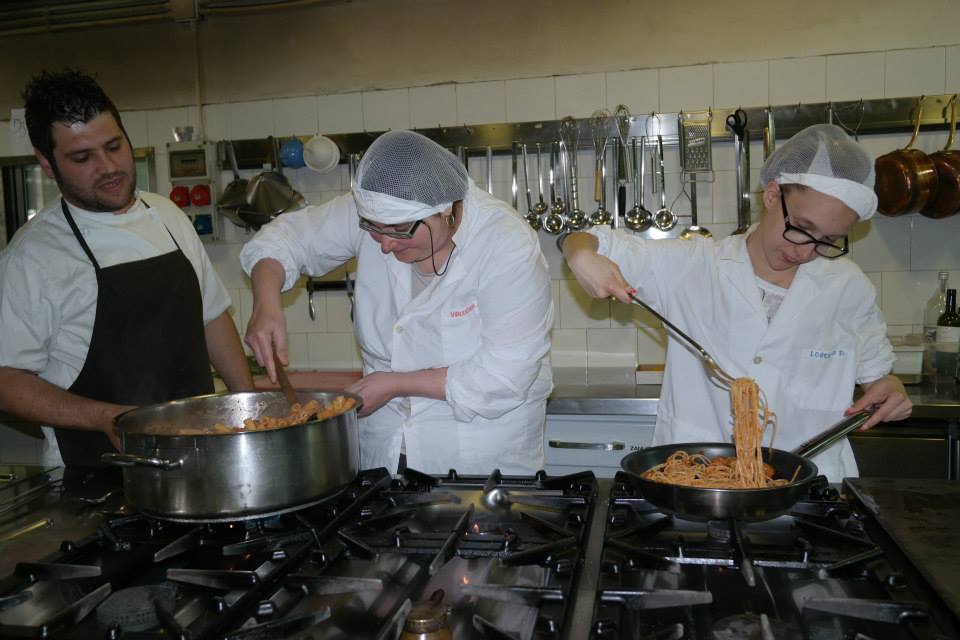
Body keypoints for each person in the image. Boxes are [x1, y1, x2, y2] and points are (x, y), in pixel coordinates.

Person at [562, 124, 913, 482]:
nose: (805, 251)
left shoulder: (848, 286)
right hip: (698, 481)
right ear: (772, 195)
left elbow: (878, 378)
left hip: (811, 486)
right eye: (802, 228)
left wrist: (890, 390)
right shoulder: (692, 265)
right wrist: (581, 256)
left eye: (828, 241)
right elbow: (587, 240)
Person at [241, 130, 553, 475]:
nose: (385, 245)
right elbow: (285, 239)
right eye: (373, 229)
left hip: (478, 456)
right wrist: (265, 301)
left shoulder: (506, 244)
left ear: (446, 211)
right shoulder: (377, 207)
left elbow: (504, 376)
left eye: (400, 230)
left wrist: (394, 384)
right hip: (385, 450)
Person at [0, 69, 253, 471]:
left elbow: (212, 318)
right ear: (46, 163)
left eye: (114, 146)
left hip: (199, 464)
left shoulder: (167, 215)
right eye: (82, 158)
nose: (108, 167)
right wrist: (105, 417)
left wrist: (249, 409)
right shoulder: (32, 257)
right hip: (95, 475)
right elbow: (7, 379)